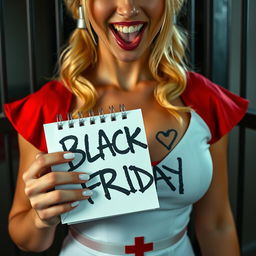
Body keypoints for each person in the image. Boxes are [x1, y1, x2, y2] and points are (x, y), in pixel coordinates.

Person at [4, 0, 249, 255]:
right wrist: (40, 220)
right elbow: (29, 241)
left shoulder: (205, 102)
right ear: (82, 6)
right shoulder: (47, 107)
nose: (127, 7)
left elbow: (217, 226)